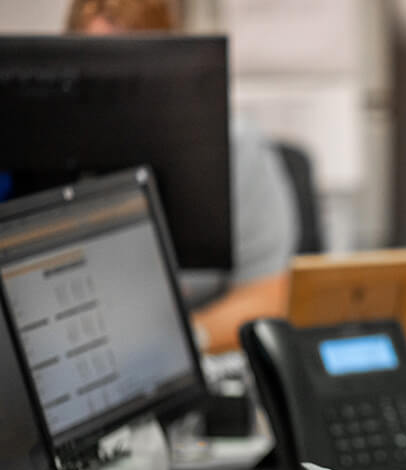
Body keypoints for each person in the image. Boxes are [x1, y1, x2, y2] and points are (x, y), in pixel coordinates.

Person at [65, 0, 299, 354]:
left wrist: (176, 347)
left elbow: (266, 299)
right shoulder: (41, 161)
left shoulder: (236, 148)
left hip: (200, 357)